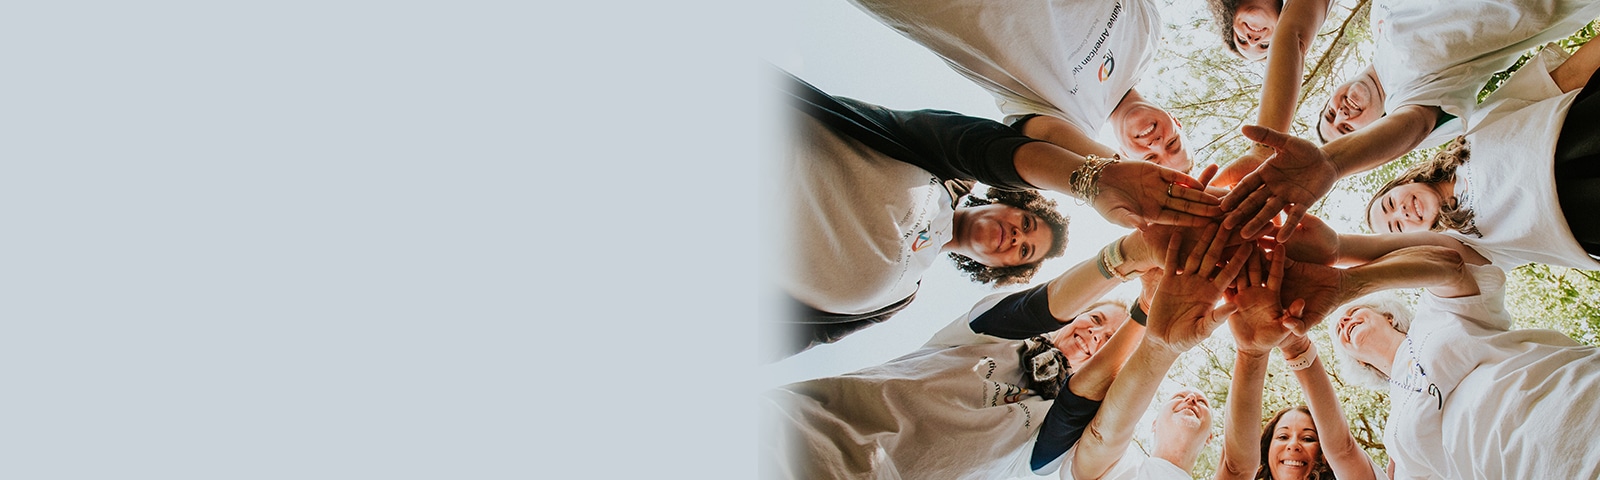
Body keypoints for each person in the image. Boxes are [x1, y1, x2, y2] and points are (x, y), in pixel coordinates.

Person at [777, 70, 1218, 357]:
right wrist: (1098, 178)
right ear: (1004, 200)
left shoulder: (900, 297)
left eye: (1023, 251)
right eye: (1024, 223)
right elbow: (986, 147)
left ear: (997, 268)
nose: (1015, 237)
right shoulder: (946, 173)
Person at [762, 226, 1172, 479]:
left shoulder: (1050, 433)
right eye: (1096, 320)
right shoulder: (983, 337)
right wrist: (1130, 253)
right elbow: (1040, 307)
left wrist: (1147, 310)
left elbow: (1080, 396)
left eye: (1106, 340)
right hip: (796, 434)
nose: (1093, 336)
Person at [1220, 1, 1600, 242]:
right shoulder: (1417, 100)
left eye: (1329, 113)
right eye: (1348, 131)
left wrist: (1265, 149)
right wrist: (1330, 163)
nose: (1342, 113)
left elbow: (1296, 30)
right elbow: (1413, 125)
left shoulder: (1377, 21)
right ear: (1375, 130)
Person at [1324, 253, 1600, 479]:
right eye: (1340, 329)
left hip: (1578, 401)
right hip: (1542, 472)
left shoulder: (1435, 315)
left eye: (1352, 312)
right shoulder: (1395, 433)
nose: (1346, 322)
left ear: (1388, 315)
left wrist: (1351, 279)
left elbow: (1452, 264)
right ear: (1357, 360)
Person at [847, 0, 1194, 171]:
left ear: (1127, 156)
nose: (1157, 143)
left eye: (1149, 158)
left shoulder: (1073, 125)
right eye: (1173, 143)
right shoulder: (1148, 33)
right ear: (1176, 121)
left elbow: (1047, 140)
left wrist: (1127, 178)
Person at [1362, 42, 1600, 270]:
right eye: (1397, 227)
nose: (1400, 212)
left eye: (1390, 203)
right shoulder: (1465, 246)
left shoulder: (1473, 132)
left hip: (1583, 129)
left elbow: (1562, 79)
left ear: (1404, 183)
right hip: (1585, 212)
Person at [1065, 222, 1256, 480]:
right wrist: (1161, 347)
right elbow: (1101, 436)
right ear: (1153, 424)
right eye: (1179, 397)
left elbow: (1238, 470)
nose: (1190, 400)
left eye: (1202, 402)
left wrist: (1253, 352)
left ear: (1211, 436)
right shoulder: (1118, 469)